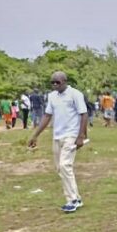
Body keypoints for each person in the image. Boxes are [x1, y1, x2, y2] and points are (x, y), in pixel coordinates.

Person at [28, 72, 88, 213]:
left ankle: (72, 200)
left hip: (71, 135)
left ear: (64, 81)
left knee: (64, 165)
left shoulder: (75, 94)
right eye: (52, 82)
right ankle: (76, 198)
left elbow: (83, 114)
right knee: (60, 169)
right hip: (57, 136)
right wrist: (35, 135)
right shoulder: (52, 96)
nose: (55, 85)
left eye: (57, 82)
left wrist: (81, 136)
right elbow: (47, 116)